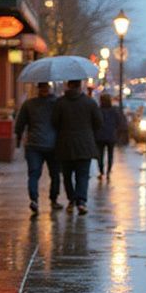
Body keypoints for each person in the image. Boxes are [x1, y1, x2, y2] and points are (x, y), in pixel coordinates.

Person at [51, 79, 101, 215]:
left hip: (65, 144)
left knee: (67, 175)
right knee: (83, 175)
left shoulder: (60, 103)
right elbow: (98, 123)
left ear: (68, 86)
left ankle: (71, 199)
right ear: (80, 86)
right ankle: (81, 202)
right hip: (84, 144)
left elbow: (54, 122)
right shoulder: (90, 103)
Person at [14, 81, 63, 214]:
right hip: (53, 144)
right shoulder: (57, 103)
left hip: (34, 144)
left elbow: (19, 125)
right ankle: (53, 200)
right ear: (49, 88)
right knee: (55, 175)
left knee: (34, 174)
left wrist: (18, 140)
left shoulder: (29, 104)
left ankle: (34, 200)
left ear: (38, 89)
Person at [94, 93, 125, 179]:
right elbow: (119, 122)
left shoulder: (98, 110)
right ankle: (108, 171)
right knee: (110, 154)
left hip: (100, 136)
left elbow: (94, 122)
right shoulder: (114, 111)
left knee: (100, 155)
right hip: (111, 136)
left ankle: (101, 171)